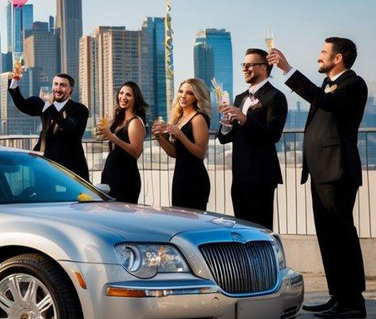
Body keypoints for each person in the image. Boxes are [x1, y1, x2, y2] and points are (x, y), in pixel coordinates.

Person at [270, 38, 367, 319]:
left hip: (337, 170)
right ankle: (338, 296)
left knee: (342, 235)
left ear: (338, 58)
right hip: (321, 171)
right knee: (328, 237)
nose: (319, 57)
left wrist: (287, 70)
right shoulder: (327, 84)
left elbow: (324, 101)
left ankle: (353, 301)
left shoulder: (353, 83)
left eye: (324, 53)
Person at [217, 48, 288, 230]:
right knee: (242, 229)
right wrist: (226, 124)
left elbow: (274, 134)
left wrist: (244, 119)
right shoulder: (240, 97)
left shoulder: (275, 97)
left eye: (250, 65)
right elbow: (225, 139)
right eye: (244, 65)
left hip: (261, 176)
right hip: (239, 176)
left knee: (261, 228)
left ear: (264, 67)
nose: (245, 69)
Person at [8, 70, 89, 180]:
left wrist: (49, 107)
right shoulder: (45, 105)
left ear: (71, 90)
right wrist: (14, 82)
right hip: (45, 165)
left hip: (70, 168)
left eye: (63, 85)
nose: (58, 88)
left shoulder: (79, 109)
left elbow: (68, 128)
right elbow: (23, 105)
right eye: (55, 84)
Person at [153, 79, 211, 210]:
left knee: (193, 222)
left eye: (189, 93)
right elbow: (174, 153)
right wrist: (159, 137)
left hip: (195, 177)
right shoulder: (179, 119)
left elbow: (200, 153)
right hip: (180, 175)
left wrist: (179, 134)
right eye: (181, 91)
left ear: (197, 96)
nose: (183, 96)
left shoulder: (198, 118)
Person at [96, 81, 147, 203]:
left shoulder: (135, 122)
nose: (123, 97)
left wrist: (111, 136)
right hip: (111, 173)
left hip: (125, 176)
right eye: (121, 93)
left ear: (136, 99)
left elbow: (136, 151)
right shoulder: (120, 120)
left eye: (128, 94)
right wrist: (106, 134)